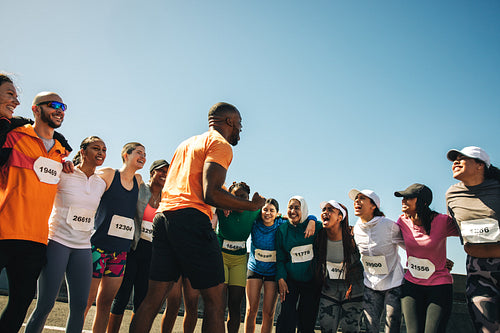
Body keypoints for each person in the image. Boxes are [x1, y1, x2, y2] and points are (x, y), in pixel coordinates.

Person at [130, 102, 266, 333]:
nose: (240, 130)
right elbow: (210, 192)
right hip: (191, 218)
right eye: (240, 125)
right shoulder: (221, 144)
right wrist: (251, 205)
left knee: (153, 299)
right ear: (229, 121)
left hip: (164, 218)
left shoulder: (186, 144)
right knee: (215, 302)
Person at [0, 91, 70, 332]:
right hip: (3, 231)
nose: (60, 110)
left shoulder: (62, 151)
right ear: (35, 109)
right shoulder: (13, 136)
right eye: (53, 105)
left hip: (36, 239)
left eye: (63, 106)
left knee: (20, 304)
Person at [25, 136, 108, 333]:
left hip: (83, 248)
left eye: (104, 150)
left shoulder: (101, 184)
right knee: (45, 304)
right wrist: (62, 162)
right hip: (57, 242)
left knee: (80, 306)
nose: (101, 153)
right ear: (83, 152)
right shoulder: (64, 173)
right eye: (96, 148)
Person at [84, 142, 144, 333]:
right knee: (86, 300)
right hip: (97, 248)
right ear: (125, 155)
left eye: (145, 153)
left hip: (120, 253)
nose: (143, 156)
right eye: (138, 152)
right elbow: (85, 177)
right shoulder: (110, 174)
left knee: (105, 304)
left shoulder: (139, 180)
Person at [107, 159, 169, 332]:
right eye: (161, 170)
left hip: (153, 253)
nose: (164, 174)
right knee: (122, 296)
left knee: (142, 299)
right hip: (133, 247)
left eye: (167, 172)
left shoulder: (168, 197)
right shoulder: (140, 188)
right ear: (152, 172)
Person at [446, 146, 500, 332]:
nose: (456, 162)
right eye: (454, 159)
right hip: (479, 272)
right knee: (486, 327)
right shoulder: (452, 195)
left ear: (480, 165)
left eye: (463, 158)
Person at [394, 183, 459, 333]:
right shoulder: (402, 221)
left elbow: (466, 231)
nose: (403, 200)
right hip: (412, 286)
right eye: (403, 197)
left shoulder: (442, 221)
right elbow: (395, 240)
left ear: (423, 201)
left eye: (409, 197)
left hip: (439, 287)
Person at [245, 198, 316, 333]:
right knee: (251, 309)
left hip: (272, 272)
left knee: (268, 312)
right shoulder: (254, 223)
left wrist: (312, 219)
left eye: (272, 210)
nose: (268, 213)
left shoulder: (281, 223)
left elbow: (302, 218)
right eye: (265, 209)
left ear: (277, 213)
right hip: (255, 269)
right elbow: (246, 214)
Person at [349, 189, 404, 333]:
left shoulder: (389, 225)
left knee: (392, 326)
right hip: (370, 284)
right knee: (370, 327)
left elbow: (410, 246)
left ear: (374, 206)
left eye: (362, 198)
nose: (357, 201)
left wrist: (438, 260)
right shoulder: (356, 229)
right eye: (355, 199)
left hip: (394, 284)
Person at [216, 181, 261, 333]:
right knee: (218, 304)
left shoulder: (254, 211)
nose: (240, 200)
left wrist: (256, 200)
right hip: (221, 257)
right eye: (236, 197)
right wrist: (224, 203)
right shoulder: (222, 209)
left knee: (235, 305)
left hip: (240, 261)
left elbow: (263, 201)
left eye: (244, 197)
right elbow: (214, 191)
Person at [275, 195, 322, 333]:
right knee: (286, 316)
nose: (293, 211)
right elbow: (280, 258)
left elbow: (329, 225)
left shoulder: (315, 227)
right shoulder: (282, 230)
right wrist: (281, 278)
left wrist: (312, 219)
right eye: (290, 207)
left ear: (304, 210)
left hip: (311, 281)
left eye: (297, 208)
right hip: (290, 280)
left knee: (307, 318)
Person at [316, 200, 364, 333]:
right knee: (326, 326)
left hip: (353, 289)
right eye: (324, 209)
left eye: (330, 210)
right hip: (329, 288)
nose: (325, 212)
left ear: (340, 217)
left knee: (351, 328)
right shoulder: (319, 236)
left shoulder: (354, 237)